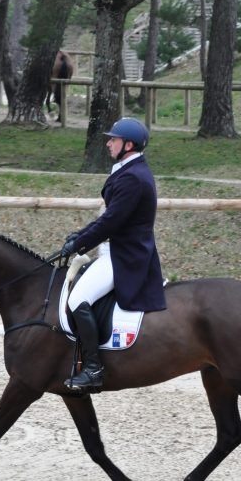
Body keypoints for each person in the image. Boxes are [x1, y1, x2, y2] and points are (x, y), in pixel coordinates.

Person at [57, 117, 167, 390]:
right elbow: (108, 218)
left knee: (78, 298)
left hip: (125, 257)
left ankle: (93, 368)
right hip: (117, 250)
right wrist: (79, 236)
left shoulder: (133, 177)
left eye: (113, 140)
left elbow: (111, 222)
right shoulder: (130, 170)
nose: (108, 143)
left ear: (128, 145)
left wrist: (79, 244)